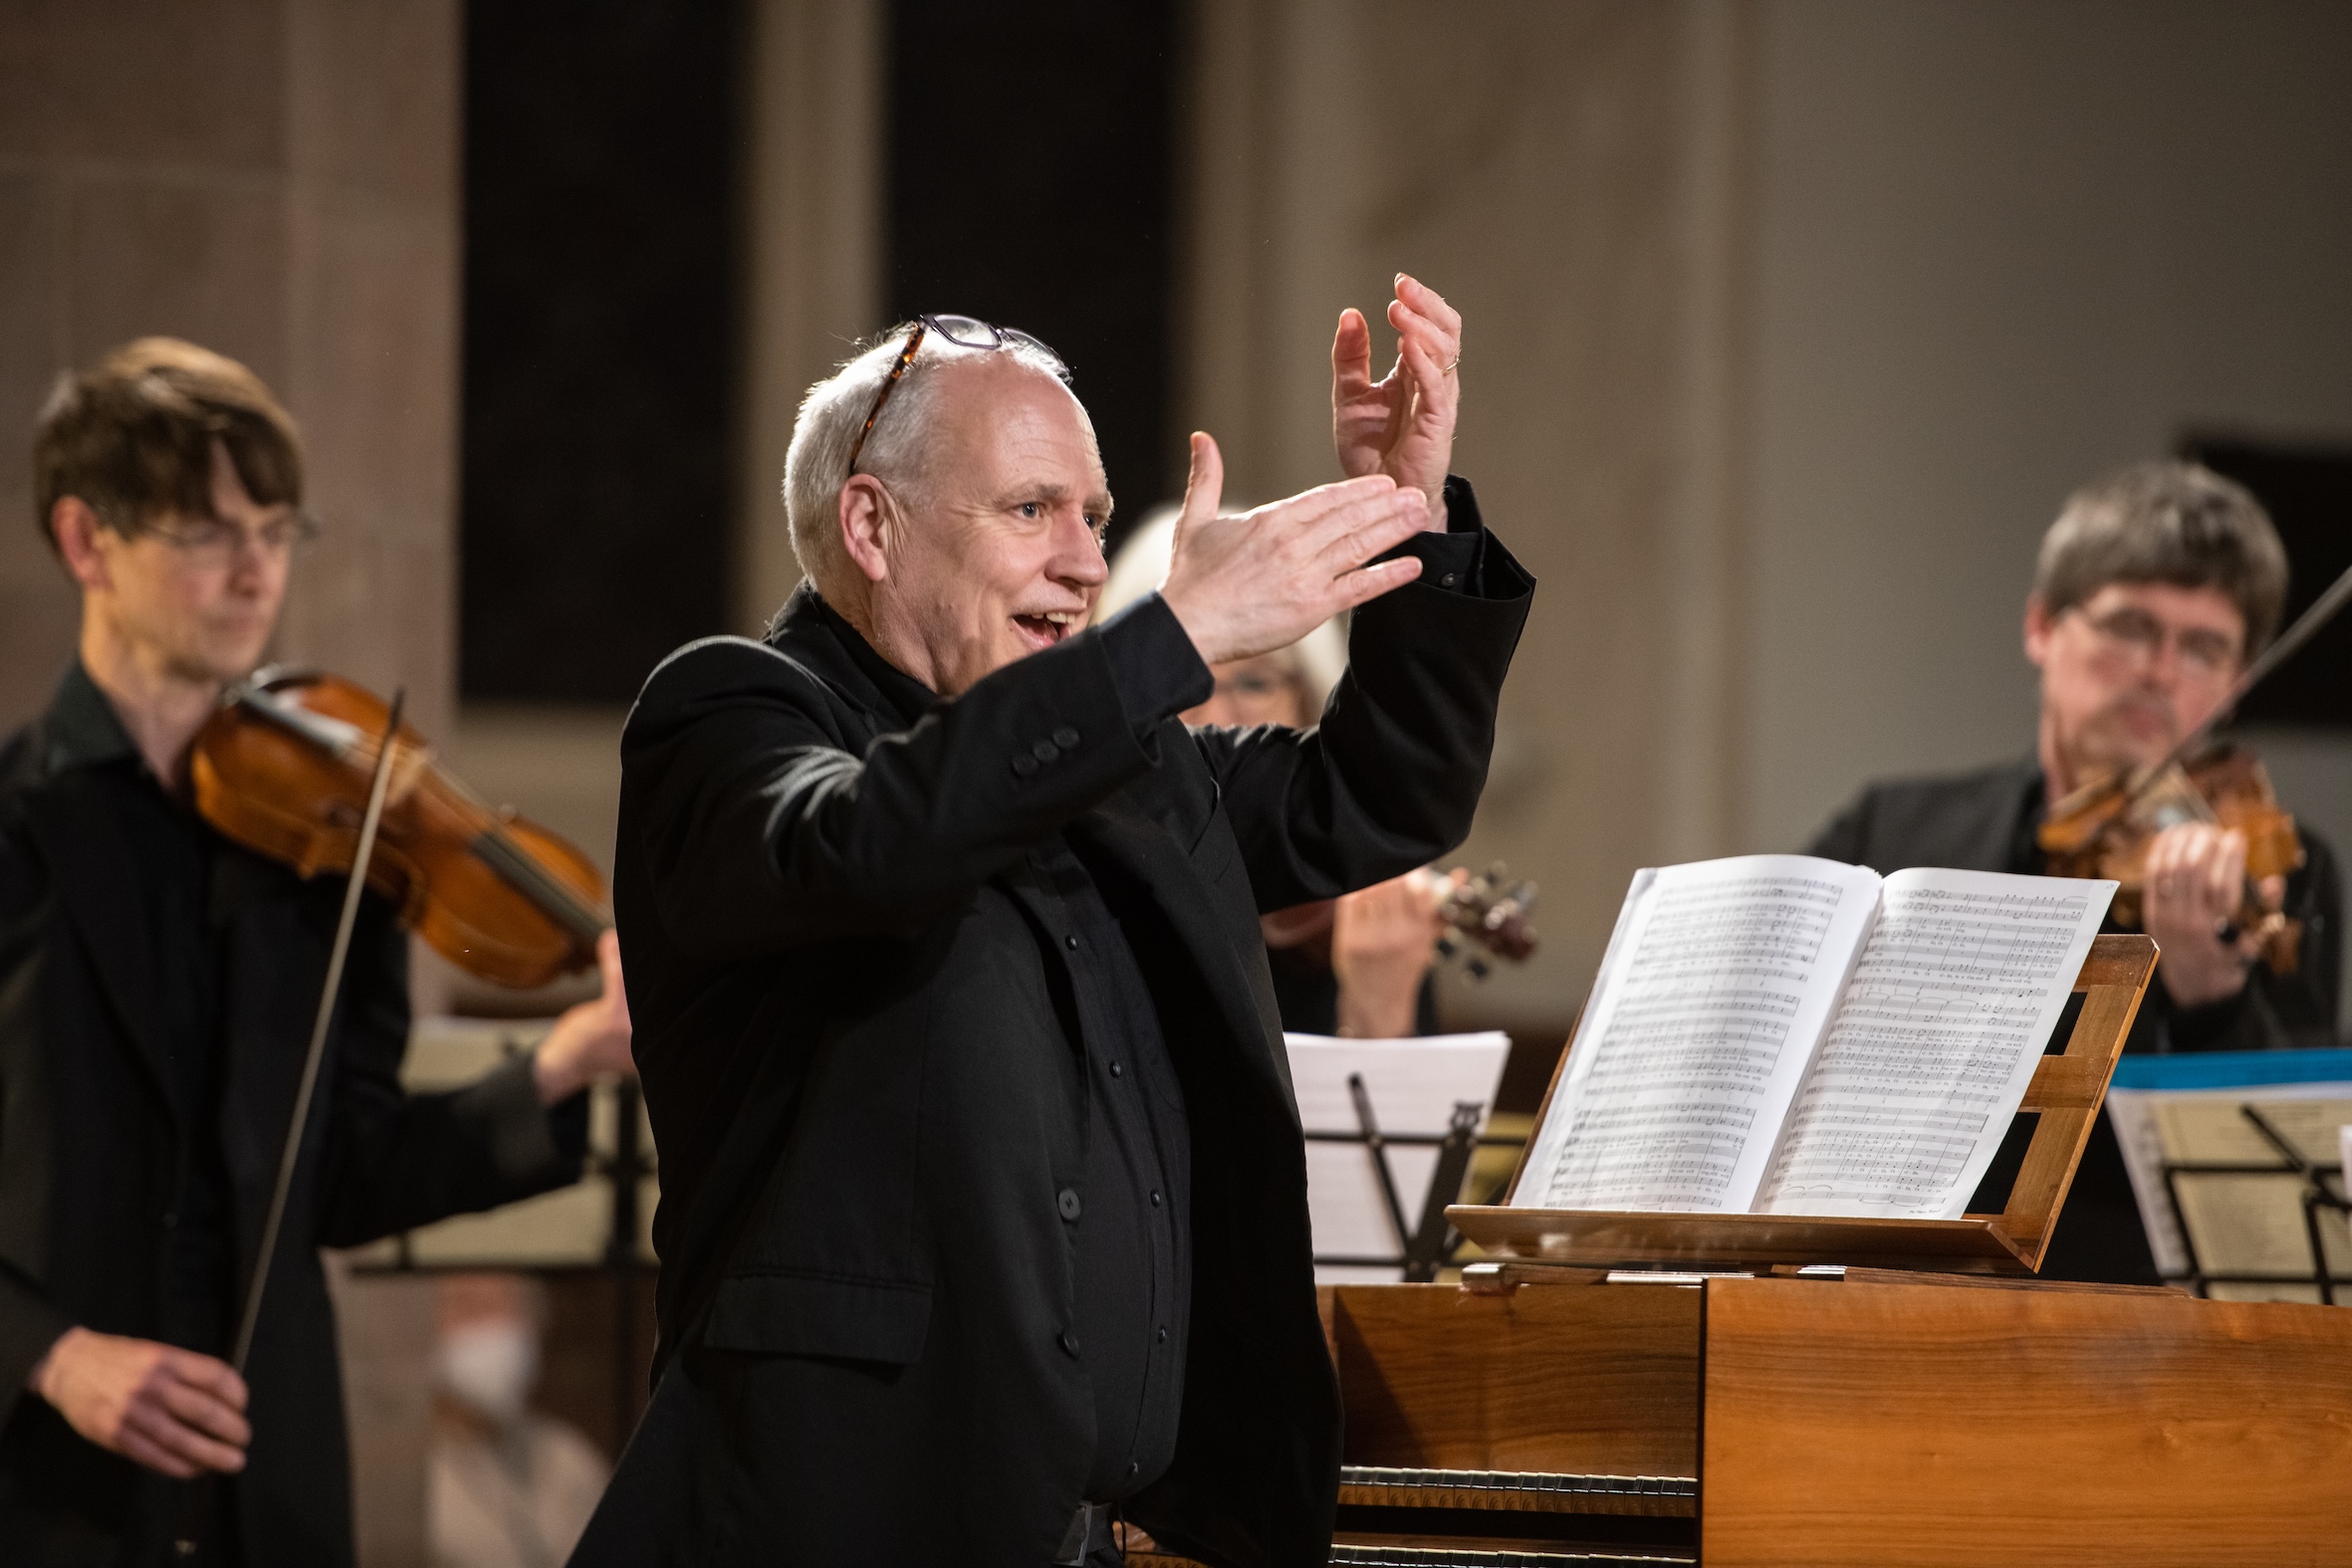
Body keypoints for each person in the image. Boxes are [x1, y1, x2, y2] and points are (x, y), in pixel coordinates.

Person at [580, 276, 1530, 1566]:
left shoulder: (1127, 761)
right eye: (1031, 509)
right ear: (871, 523)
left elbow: (1377, 797)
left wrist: (1409, 524)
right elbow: (870, 840)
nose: (1085, 560)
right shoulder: (733, 713)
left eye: (1090, 513)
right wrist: (1174, 634)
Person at [0, 338, 638, 1566]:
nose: (256, 574)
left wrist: (558, 1065)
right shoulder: (12, 833)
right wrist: (53, 1355)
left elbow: (344, 1178)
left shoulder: (330, 846)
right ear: (87, 544)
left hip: (269, 1493)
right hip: (43, 1492)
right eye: (205, 533)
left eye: (281, 530)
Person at [1805, 460, 2341, 1283]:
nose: (2161, 670)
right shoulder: (1891, 830)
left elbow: (2283, 1185)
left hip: (2139, 1323)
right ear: (2042, 627)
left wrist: (2210, 999)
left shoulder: (2280, 872)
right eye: (2130, 626)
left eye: (2204, 648)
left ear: (2236, 687)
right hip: (1893, 1296)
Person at [1097, 509, 1462, 1037]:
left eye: (1253, 683)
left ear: (1310, 703)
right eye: (1186, 686)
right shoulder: (1094, 903)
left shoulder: (1373, 927)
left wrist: (1377, 1008)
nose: (1216, 719)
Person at [427, 1273, 609, 1568]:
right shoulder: (407, 1470)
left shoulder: (568, 1459)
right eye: (468, 1307)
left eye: (511, 1310)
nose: (492, 1327)